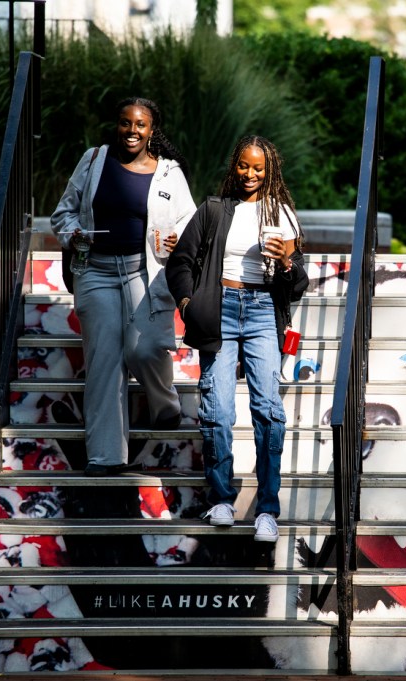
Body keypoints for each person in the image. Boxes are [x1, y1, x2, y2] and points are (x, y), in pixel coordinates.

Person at [166, 136, 309, 543]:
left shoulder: (283, 215)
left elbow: (299, 280)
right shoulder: (214, 209)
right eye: (244, 166)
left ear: (270, 171)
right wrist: (189, 303)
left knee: (268, 409)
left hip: (263, 311)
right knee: (217, 408)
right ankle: (223, 499)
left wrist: (284, 259)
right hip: (219, 309)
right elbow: (180, 263)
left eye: (259, 168)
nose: (250, 174)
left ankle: (267, 509)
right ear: (235, 167)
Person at [51, 97, 196, 477]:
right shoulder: (94, 160)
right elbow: (62, 213)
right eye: (125, 123)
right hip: (95, 272)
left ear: (152, 130)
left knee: (145, 346)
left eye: (140, 125)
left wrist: (174, 237)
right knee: (105, 361)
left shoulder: (169, 173)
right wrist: (74, 234)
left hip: (144, 272)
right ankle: (106, 456)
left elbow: (191, 225)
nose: (132, 131)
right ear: (117, 125)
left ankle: (165, 405)